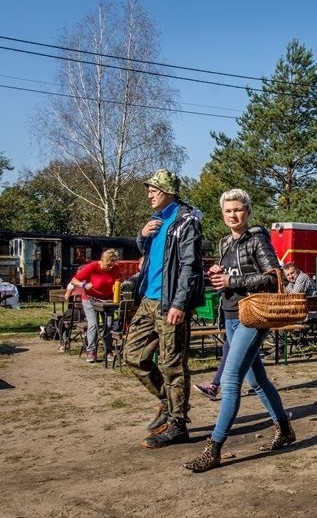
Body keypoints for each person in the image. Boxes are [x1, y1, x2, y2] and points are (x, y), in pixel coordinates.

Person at [183, 188, 295, 472]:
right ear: (222, 214)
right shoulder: (225, 244)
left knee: (231, 380)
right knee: (256, 380)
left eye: (238, 210)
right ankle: (284, 429)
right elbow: (232, 275)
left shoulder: (257, 240)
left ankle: (215, 448)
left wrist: (233, 282)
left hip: (253, 316)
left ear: (248, 212)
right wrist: (220, 274)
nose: (233, 215)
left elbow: (274, 277)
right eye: (228, 211)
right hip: (232, 316)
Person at [124, 169, 205, 449]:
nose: (149, 194)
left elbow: (190, 266)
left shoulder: (186, 221)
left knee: (172, 362)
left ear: (168, 191)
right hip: (148, 299)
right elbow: (149, 254)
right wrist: (141, 237)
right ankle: (168, 404)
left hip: (170, 301)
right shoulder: (156, 219)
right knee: (133, 355)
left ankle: (178, 425)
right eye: (149, 189)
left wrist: (180, 304)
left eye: (154, 190)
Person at [63, 249, 122, 363]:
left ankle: (108, 350)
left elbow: (118, 279)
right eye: (108, 265)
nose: (110, 268)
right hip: (91, 300)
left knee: (108, 324)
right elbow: (74, 280)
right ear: (102, 260)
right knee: (93, 324)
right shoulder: (92, 267)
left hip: (108, 300)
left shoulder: (116, 268)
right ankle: (91, 351)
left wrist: (117, 285)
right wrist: (84, 284)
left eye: (112, 265)